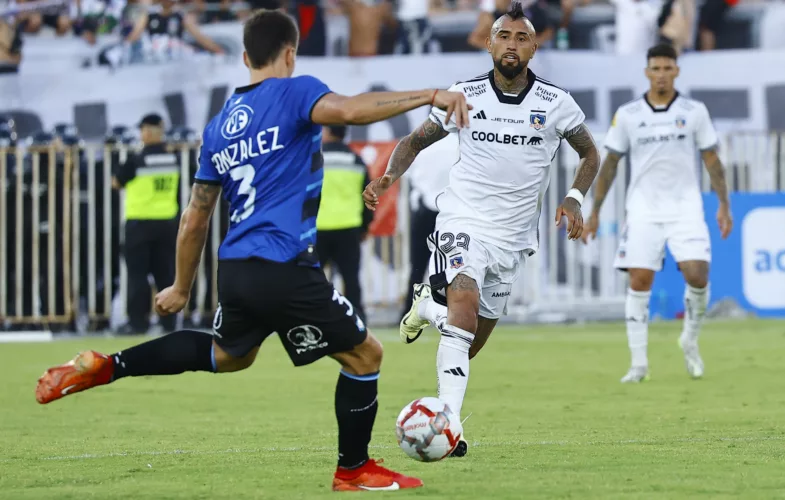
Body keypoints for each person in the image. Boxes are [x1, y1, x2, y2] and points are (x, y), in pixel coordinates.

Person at [35, 9, 469, 492]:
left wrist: (181, 286)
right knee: (366, 355)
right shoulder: (294, 91)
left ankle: (109, 366)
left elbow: (195, 215)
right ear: (290, 53)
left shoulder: (219, 125)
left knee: (227, 354)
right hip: (283, 262)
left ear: (245, 57)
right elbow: (349, 111)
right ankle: (353, 469)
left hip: (237, 265)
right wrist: (430, 95)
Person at [364, 1, 599, 458]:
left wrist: (574, 198)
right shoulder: (463, 95)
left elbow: (589, 153)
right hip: (463, 219)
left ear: (534, 48)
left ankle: (426, 308)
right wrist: (389, 176)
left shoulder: (556, 103)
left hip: (513, 238)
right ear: (489, 44)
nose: (512, 45)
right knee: (464, 308)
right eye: (503, 36)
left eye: (521, 38)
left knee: (468, 343)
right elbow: (414, 140)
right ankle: (449, 425)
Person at [581, 44, 732, 383]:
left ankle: (689, 340)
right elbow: (610, 164)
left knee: (697, 275)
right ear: (647, 72)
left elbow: (712, 160)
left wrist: (724, 204)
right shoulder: (629, 114)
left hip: (685, 207)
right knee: (639, 280)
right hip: (644, 208)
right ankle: (639, 364)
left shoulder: (694, 111)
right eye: (656, 68)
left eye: (667, 68)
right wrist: (595, 211)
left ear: (676, 71)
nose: (661, 75)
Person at [111, 113, 181, 335]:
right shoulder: (173, 158)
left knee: (138, 276)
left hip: (140, 224)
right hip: (167, 223)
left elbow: (116, 182)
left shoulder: (137, 159)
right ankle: (168, 322)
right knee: (166, 274)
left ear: (149, 132)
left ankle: (137, 323)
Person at [316, 125, 372, 324]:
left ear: (327, 131)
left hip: (318, 228)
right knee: (351, 279)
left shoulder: (315, 159)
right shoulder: (356, 160)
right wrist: (365, 226)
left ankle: (311, 317)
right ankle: (357, 320)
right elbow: (368, 196)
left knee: (312, 278)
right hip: (349, 227)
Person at [400, 131, 457, 317]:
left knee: (418, 264)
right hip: (452, 210)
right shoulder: (462, 144)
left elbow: (412, 177)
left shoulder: (422, 144)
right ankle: (452, 311)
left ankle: (409, 311)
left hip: (425, 208)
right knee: (453, 264)